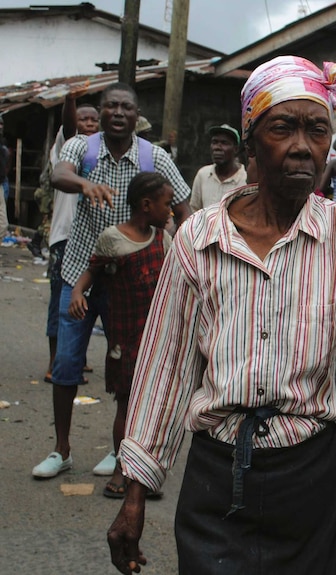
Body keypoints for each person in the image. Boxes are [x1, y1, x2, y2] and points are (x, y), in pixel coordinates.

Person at [106, 55, 336, 575]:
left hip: (312, 475)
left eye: (318, 129)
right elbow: (165, 369)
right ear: (251, 138)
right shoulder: (198, 237)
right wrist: (135, 494)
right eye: (283, 127)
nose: (303, 145)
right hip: (217, 477)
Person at [31, 82, 191, 479]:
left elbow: (185, 207)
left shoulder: (154, 156)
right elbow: (59, 174)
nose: (118, 113)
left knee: (128, 372)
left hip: (131, 288)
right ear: (101, 112)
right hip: (80, 275)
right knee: (67, 364)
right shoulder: (82, 149)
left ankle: (119, 452)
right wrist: (84, 184)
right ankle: (61, 449)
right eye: (111, 106)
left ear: (137, 115)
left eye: (126, 107)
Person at [68, 171, 174, 498]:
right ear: (146, 204)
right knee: (126, 407)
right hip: (125, 340)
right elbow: (91, 271)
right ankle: (122, 469)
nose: (171, 211)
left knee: (153, 410)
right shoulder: (113, 239)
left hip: (156, 340)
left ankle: (145, 473)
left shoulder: (163, 239)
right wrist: (77, 293)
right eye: (166, 204)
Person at [42, 93, 100, 386]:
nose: (89, 124)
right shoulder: (69, 147)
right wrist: (69, 101)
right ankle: (56, 361)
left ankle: (76, 356)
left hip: (93, 239)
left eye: (93, 119)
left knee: (88, 302)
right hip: (65, 237)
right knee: (60, 301)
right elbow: (67, 126)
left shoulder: (101, 152)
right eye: (83, 119)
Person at [189, 124, 247, 211]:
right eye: (214, 142)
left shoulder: (245, 180)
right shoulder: (203, 175)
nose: (217, 147)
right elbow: (194, 210)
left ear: (235, 149)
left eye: (224, 143)